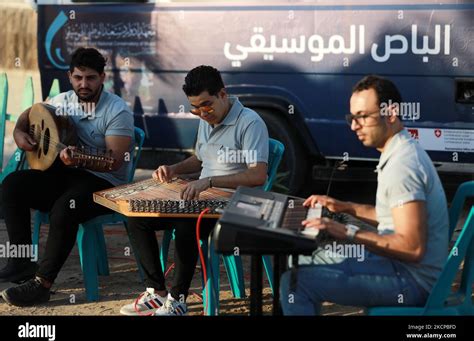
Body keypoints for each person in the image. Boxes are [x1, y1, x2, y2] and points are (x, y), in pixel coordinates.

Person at [280, 75, 449, 315]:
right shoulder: (400, 149)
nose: (353, 126)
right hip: (403, 269)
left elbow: (412, 248)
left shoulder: (403, 165)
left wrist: (346, 231)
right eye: (352, 117)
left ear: (390, 114)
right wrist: (345, 207)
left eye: (363, 117)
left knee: (296, 282)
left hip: (412, 281)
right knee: (298, 259)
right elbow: (392, 217)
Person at [120, 65, 269, 316]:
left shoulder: (250, 122)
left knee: (187, 224)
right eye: (195, 107)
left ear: (223, 93)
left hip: (237, 206)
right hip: (204, 200)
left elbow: (257, 175)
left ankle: (178, 300)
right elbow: (200, 160)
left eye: (206, 105)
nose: (202, 112)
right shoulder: (206, 118)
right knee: (136, 217)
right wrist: (174, 168)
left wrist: (210, 181)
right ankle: (156, 292)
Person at [0, 48, 134, 306]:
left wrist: (81, 159)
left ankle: (42, 284)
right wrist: (20, 135)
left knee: (65, 208)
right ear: (70, 76)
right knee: (12, 185)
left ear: (102, 77)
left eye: (91, 78)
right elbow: (27, 116)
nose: (84, 84)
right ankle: (21, 262)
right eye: (78, 78)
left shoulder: (117, 110)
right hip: (66, 175)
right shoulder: (61, 101)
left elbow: (115, 161)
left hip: (105, 184)